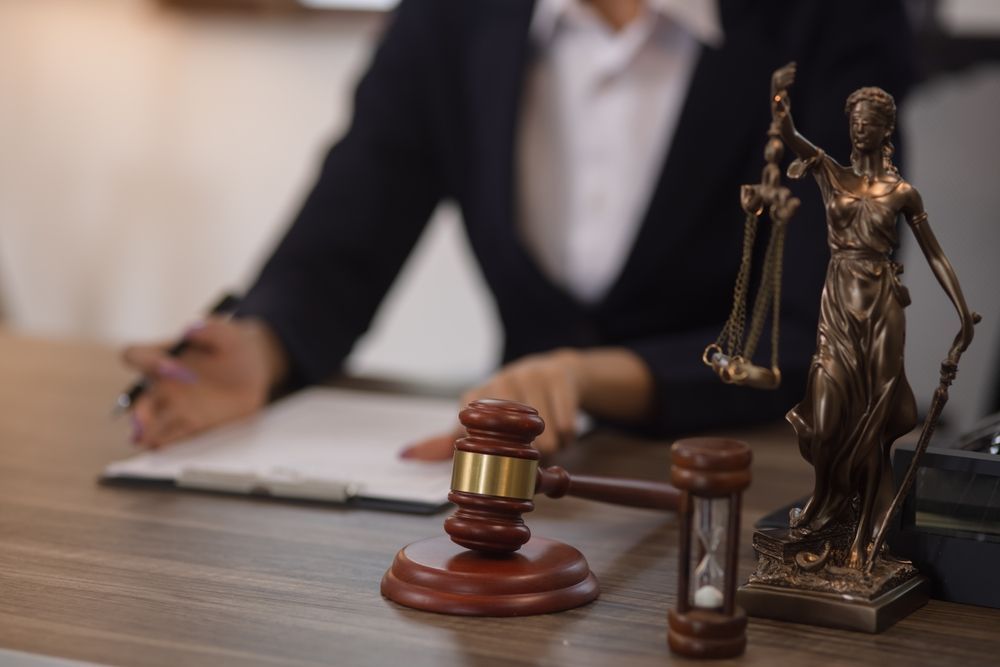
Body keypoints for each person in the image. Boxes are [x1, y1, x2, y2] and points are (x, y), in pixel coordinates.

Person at [123, 0, 916, 456]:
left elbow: (829, 326)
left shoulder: (831, 18)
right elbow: (341, 246)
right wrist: (262, 347)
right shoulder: (452, 17)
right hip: (524, 494)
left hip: (759, 477)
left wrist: (582, 375)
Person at [772, 62, 976, 569]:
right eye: (855, 120)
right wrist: (782, 110)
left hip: (882, 308)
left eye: (869, 121)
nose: (860, 128)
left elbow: (934, 254)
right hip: (837, 302)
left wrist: (962, 314)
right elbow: (793, 140)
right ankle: (824, 508)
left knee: (873, 417)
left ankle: (863, 535)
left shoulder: (903, 194)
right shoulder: (831, 175)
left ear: (886, 129)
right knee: (824, 419)